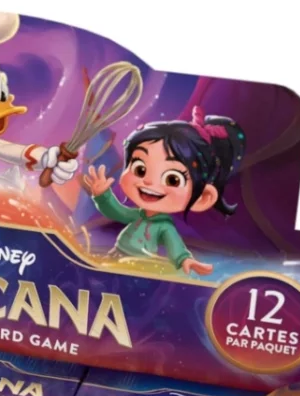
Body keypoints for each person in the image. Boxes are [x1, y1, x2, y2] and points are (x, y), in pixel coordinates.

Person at [81, 105, 244, 275]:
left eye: (172, 179)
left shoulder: (165, 227)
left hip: (136, 266)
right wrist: (103, 196)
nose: (149, 181)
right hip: (115, 255)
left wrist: (185, 260)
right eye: (140, 169)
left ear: (202, 197)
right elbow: (117, 212)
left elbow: (176, 247)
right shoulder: (138, 215)